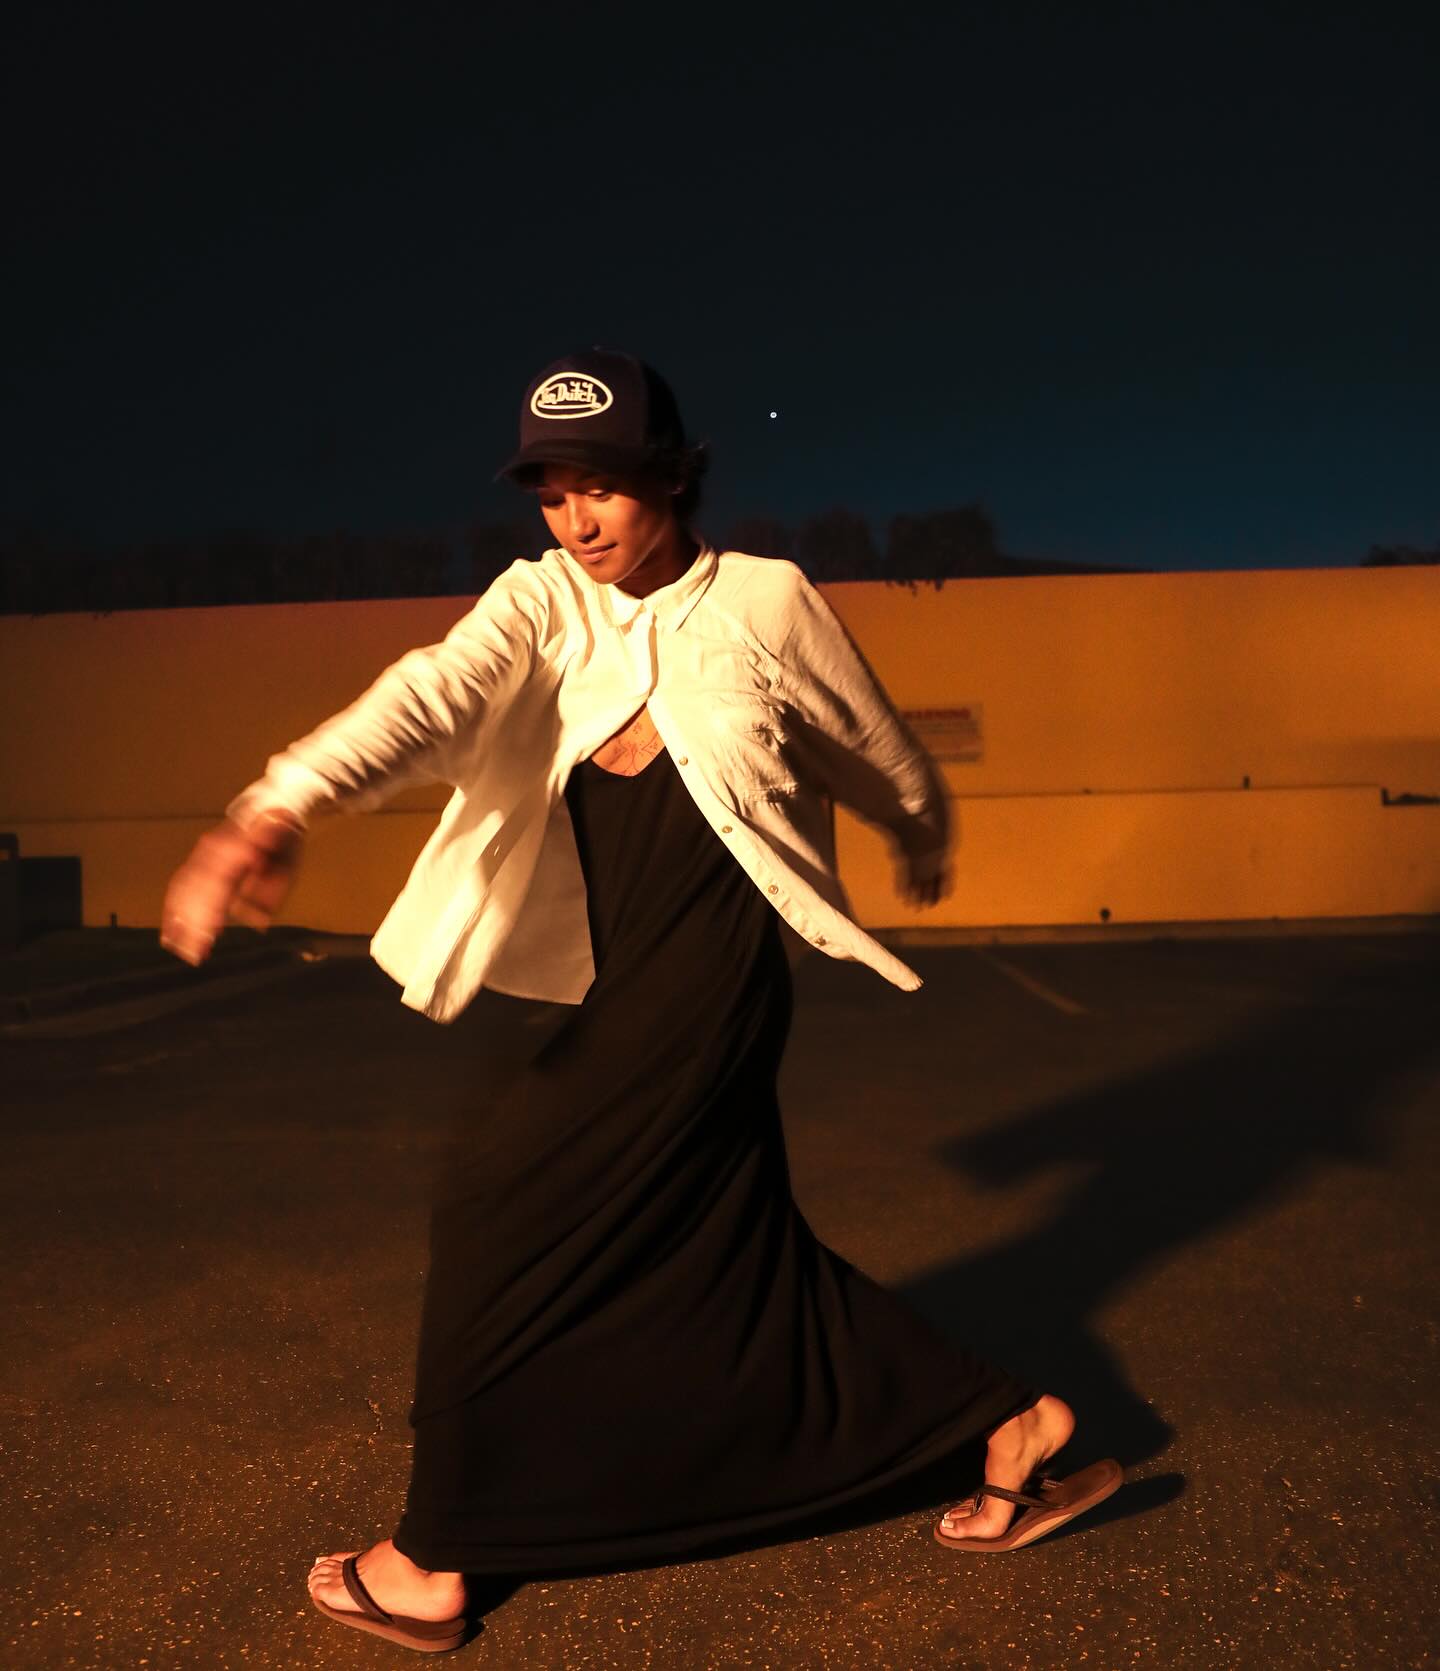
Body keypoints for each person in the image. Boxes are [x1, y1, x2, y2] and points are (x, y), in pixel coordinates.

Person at [161, 350, 1119, 1653]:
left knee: (493, 1206)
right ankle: (1012, 1425)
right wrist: (272, 808)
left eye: (603, 486)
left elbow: (870, 735)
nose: (579, 521)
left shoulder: (766, 600)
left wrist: (917, 822)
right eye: (553, 494)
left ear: (670, 474)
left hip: (714, 976)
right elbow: (427, 694)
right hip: (600, 977)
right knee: (734, 1251)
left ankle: (436, 1555)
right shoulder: (540, 604)